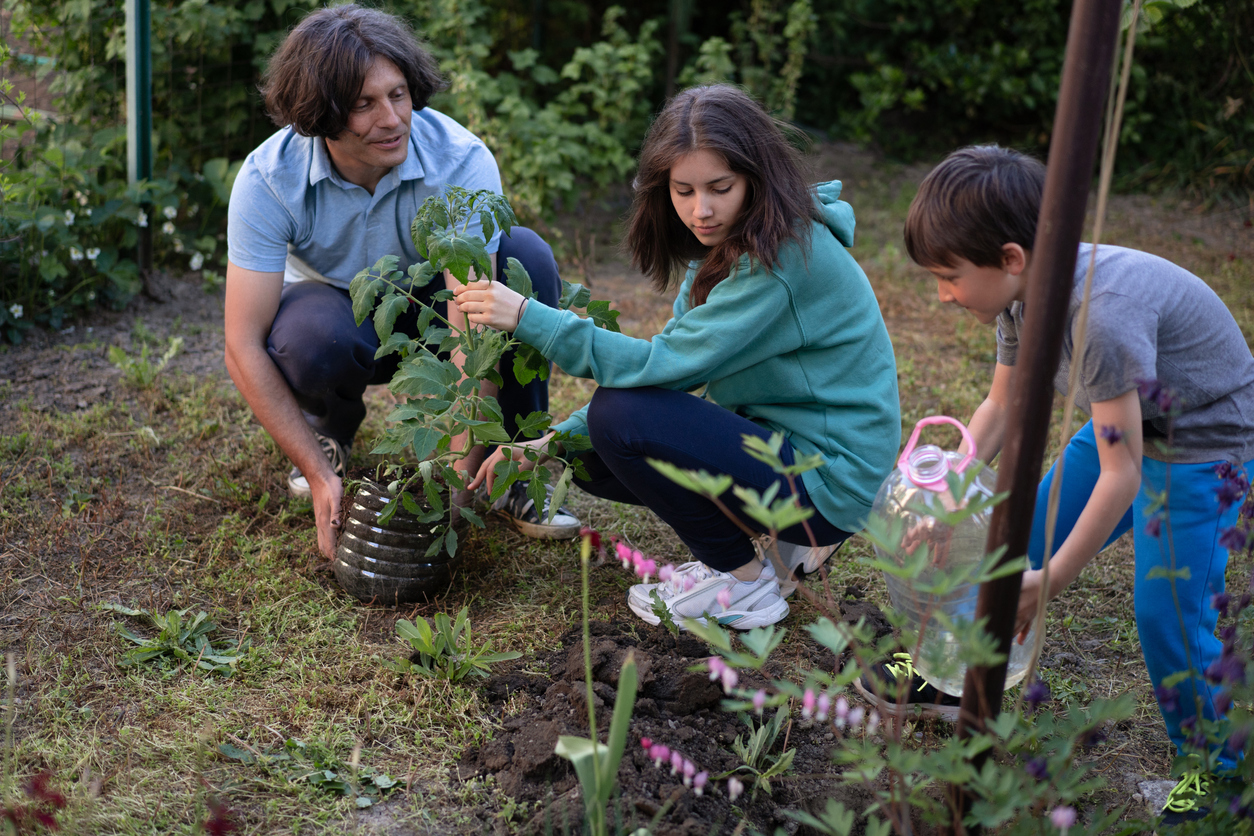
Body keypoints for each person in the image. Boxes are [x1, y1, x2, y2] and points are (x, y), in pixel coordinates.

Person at [452, 84, 901, 630]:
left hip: (831, 475)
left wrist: (529, 317)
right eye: (682, 191)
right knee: (585, 453)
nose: (701, 210)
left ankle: (743, 580)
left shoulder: (784, 260)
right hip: (791, 453)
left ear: (757, 178)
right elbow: (670, 379)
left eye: (720, 188)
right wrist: (548, 444)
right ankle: (783, 546)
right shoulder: (722, 250)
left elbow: (662, 367)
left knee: (617, 418)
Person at [893, 144, 1254, 800]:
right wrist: (947, 501)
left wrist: (1053, 580)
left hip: (1204, 448)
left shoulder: (1101, 318)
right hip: (1126, 421)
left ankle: (1219, 782)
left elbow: (1123, 475)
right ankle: (952, 676)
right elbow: (1003, 405)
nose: (943, 295)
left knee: (1168, 611)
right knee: (1017, 541)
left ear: (1010, 259)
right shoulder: (1017, 296)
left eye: (948, 276)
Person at [224, 5, 579, 562]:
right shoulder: (269, 180)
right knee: (311, 338)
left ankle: (509, 459)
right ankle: (329, 434)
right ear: (319, 113)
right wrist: (316, 475)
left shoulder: (458, 161)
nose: (391, 119)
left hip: (436, 308)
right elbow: (242, 344)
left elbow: (475, 324)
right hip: (341, 317)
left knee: (525, 261)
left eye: (398, 94)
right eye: (363, 105)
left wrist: (459, 475)